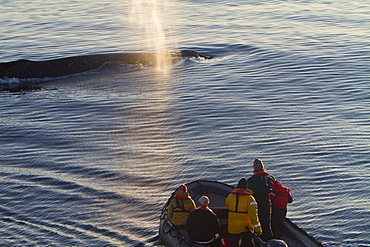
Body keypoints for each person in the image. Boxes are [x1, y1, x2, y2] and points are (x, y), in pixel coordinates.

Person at [226, 178, 262, 247]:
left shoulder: (230, 196)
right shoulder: (250, 198)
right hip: (245, 227)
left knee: (233, 244)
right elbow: (253, 215)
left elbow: (227, 206)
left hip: (232, 226)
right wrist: (258, 229)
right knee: (249, 244)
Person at [246, 158, 275, 242]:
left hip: (255, 205)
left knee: (256, 224)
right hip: (267, 204)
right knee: (267, 225)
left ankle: (258, 241)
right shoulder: (270, 178)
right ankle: (270, 241)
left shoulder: (250, 181)